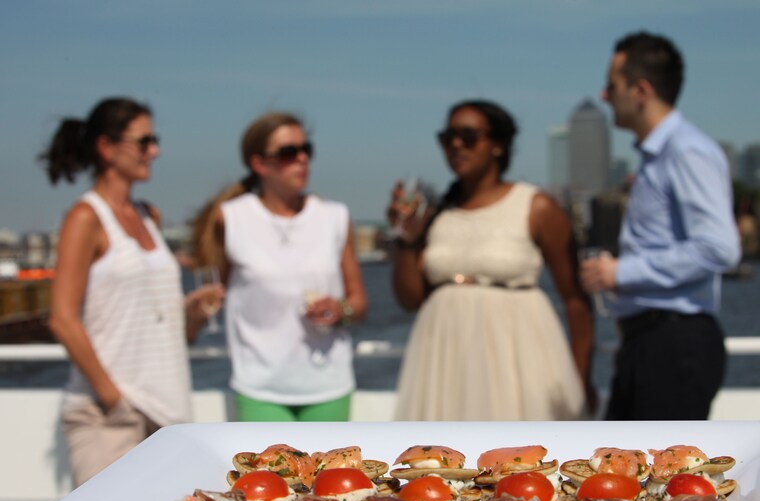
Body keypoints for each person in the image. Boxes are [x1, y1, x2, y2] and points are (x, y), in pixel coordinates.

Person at [42, 97, 224, 486]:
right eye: (144, 142)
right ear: (107, 148)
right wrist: (113, 398)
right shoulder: (86, 218)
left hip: (166, 412)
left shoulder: (149, 215)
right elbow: (62, 319)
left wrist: (190, 313)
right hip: (111, 419)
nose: (154, 151)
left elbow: (156, 324)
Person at [390, 99, 595, 421]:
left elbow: (575, 299)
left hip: (518, 361)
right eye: (448, 137)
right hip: (444, 364)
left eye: (468, 135)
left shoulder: (536, 206)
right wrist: (405, 237)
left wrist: (582, 377)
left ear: (498, 145)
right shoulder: (437, 214)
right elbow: (410, 298)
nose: (456, 144)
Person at [581, 32, 741, 420]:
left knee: (657, 473)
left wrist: (621, 272)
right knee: (621, 470)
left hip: (672, 343)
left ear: (641, 90)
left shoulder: (686, 151)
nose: (604, 96)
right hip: (650, 341)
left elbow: (719, 247)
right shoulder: (660, 156)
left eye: (612, 86)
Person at [195, 111, 367, 422]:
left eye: (306, 150)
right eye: (289, 152)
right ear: (259, 164)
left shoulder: (334, 217)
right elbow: (210, 288)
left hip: (328, 385)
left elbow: (359, 302)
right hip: (259, 387)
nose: (302, 159)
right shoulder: (231, 218)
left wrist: (341, 310)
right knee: (269, 473)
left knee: (328, 473)